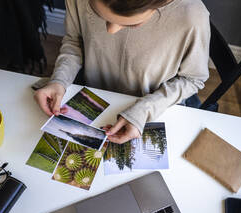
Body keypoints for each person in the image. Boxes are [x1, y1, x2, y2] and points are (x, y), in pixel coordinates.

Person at [34, 0, 210, 144]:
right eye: (97, 13)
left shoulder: (192, 16)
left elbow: (193, 78)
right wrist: (59, 80)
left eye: (133, 24)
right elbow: (74, 41)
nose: (111, 30)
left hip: (154, 107)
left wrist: (144, 110)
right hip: (93, 97)